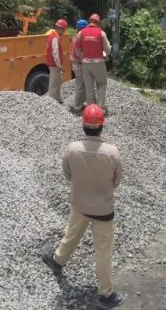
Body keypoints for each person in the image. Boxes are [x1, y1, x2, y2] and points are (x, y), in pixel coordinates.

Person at [43, 104, 124, 309]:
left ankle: (58, 260)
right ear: (102, 126)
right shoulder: (112, 152)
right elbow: (117, 180)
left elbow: (67, 173)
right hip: (104, 209)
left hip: (79, 204)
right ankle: (105, 295)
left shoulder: (72, 149)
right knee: (103, 251)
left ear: (83, 125)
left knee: (71, 234)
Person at [78, 14, 112, 109]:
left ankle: (91, 108)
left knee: (89, 87)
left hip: (85, 64)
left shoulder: (81, 33)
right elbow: (108, 50)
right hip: (98, 63)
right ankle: (100, 108)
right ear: (98, 23)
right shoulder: (101, 33)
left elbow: (77, 48)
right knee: (101, 84)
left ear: (89, 21)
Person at [45, 19, 68, 103]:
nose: (64, 32)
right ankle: (53, 102)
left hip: (53, 64)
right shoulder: (55, 37)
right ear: (61, 29)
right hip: (54, 65)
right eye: (64, 30)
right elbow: (55, 52)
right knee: (54, 85)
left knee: (57, 83)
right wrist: (58, 65)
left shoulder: (52, 35)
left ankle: (56, 100)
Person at [69, 19, 88, 112]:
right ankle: (77, 106)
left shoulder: (76, 36)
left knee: (82, 85)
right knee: (80, 86)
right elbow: (77, 51)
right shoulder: (79, 37)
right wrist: (84, 60)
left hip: (76, 63)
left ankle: (81, 103)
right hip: (78, 64)